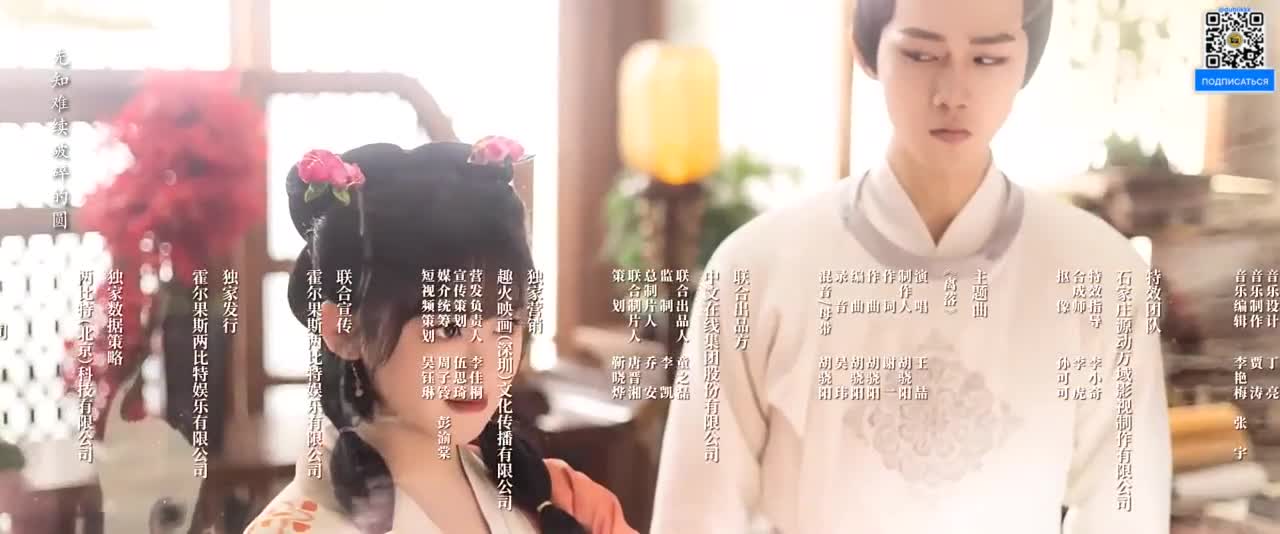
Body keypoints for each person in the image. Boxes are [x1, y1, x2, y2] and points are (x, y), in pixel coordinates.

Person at [650, 0, 1171, 532]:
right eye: (921, 55)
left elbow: (1125, 509)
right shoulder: (755, 270)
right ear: (866, 51)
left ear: (1027, 63)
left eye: (988, 60)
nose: (953, 94)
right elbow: (697, 512)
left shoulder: (1102, 276)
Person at [246, 139, 637, 534]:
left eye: (505, 325)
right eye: (449, 328)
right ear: (344, 330)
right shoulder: (297, 527)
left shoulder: (571, 503)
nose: (481, 364)